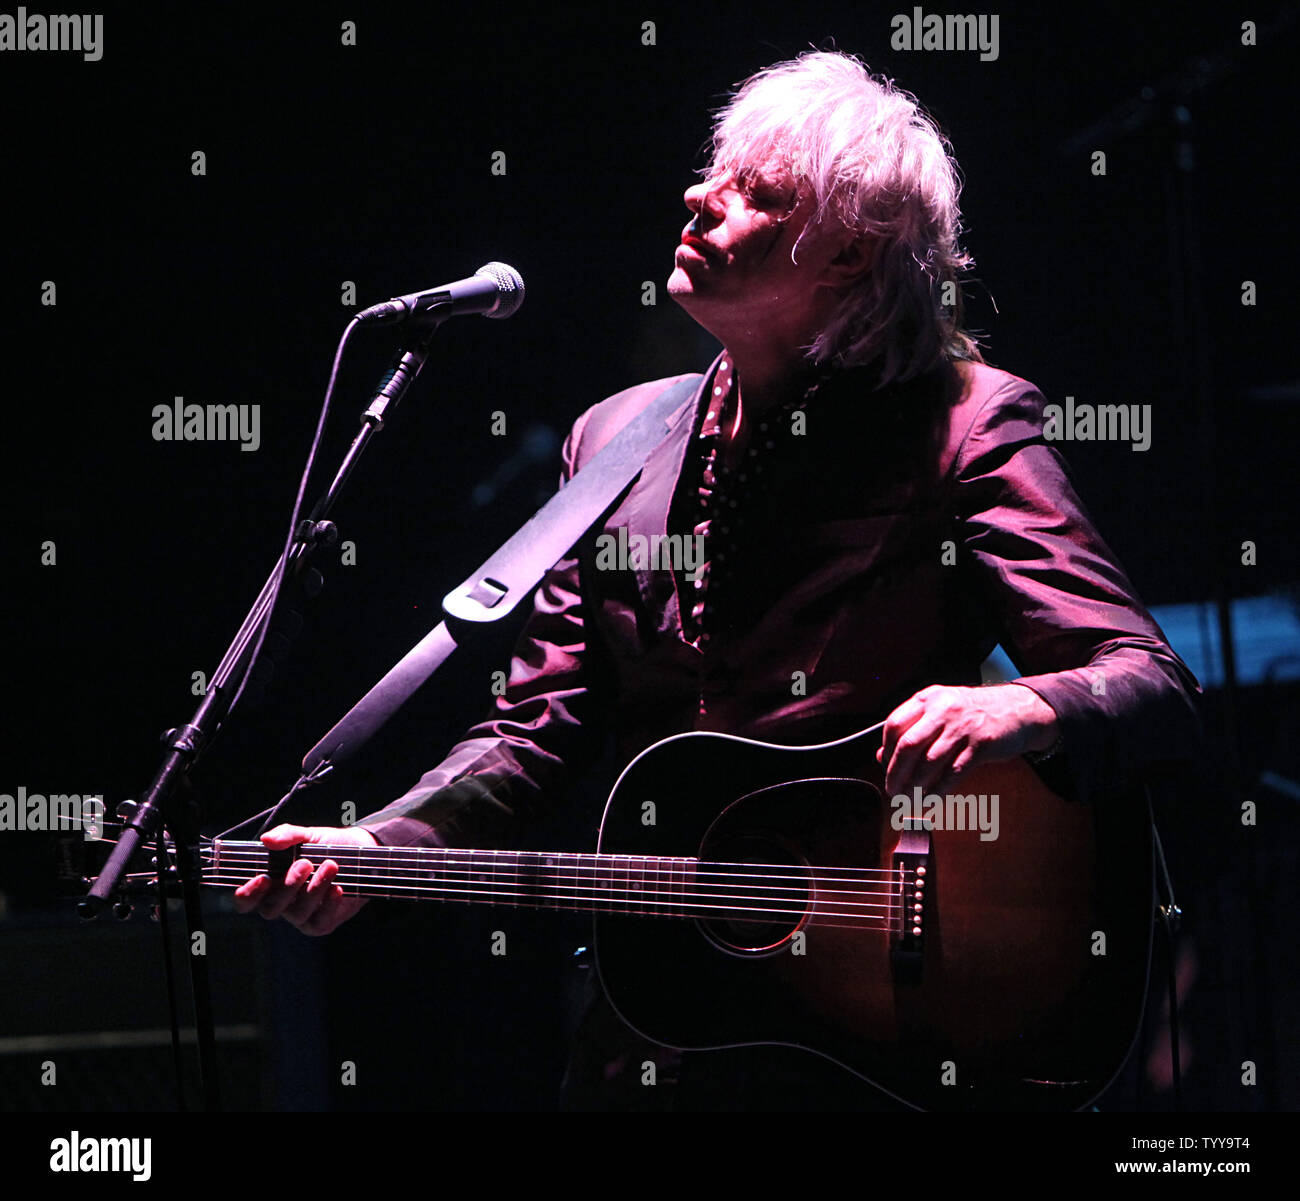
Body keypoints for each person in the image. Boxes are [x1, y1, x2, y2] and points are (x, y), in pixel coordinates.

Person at [234, 51, 1200, 1108]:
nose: (700, 193)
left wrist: (1026, 701)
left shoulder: (964, 422)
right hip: (662, 1028)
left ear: (845, 253)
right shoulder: (616, 440)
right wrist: (379, 843)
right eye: (713, 172)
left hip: (887, 1039)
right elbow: (529, 736)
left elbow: (1146, 678)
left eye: (758, 191)